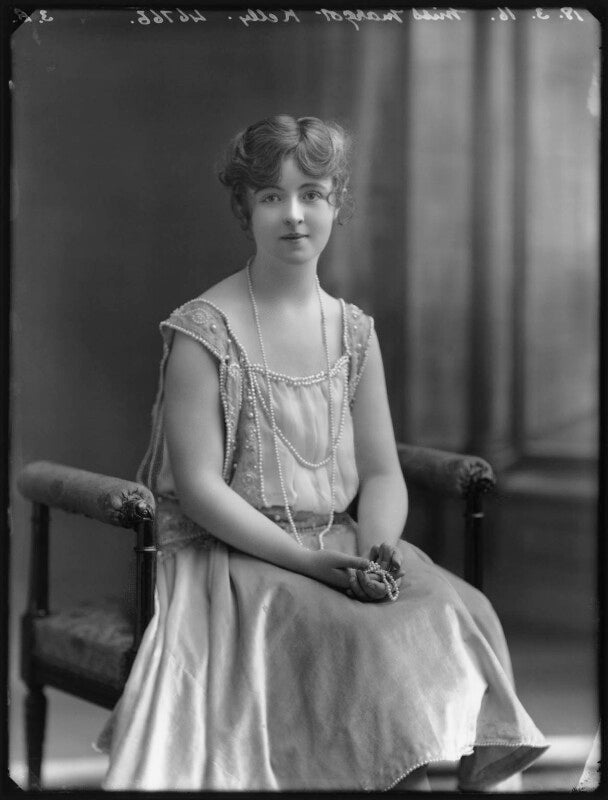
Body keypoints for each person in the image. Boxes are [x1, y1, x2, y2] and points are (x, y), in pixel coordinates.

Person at [98, 115, 548, 791]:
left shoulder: (353, 331)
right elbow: (199, 490)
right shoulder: (204, 331)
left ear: (338, 204)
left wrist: (378, 550)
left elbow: (381, 472)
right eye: (272, 196)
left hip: (342, 541)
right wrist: (311, 564)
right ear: (244, 209)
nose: (294, 214)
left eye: (312, 194)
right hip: (233, 555)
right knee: (363, 640)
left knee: (461, 612)